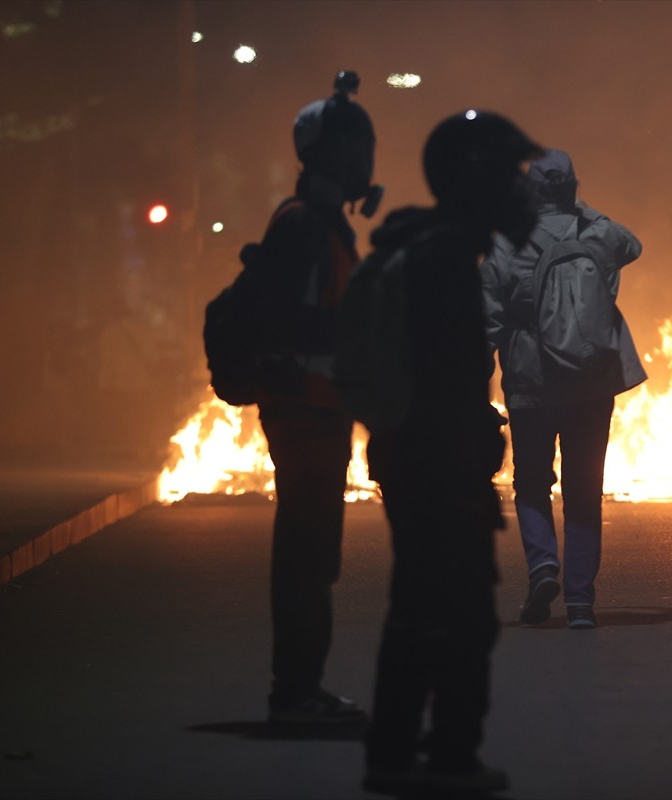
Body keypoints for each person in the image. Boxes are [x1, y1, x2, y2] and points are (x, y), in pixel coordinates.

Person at [360, 110, 543, 797]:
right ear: (475, 180)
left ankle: (397, 752)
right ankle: (446, 761)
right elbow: (446, 378)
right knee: (459, 616)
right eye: (507, 174)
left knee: (420, 605)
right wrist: (466, 465)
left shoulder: (439, 248)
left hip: (420, 461)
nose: (520, 188)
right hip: (438, 468)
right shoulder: (443, 261)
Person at [255, 71, 382, 729]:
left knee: (316, 555)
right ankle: (294, 691)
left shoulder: (324, 224)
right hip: (303, 412)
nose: (366, 162)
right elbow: (288, 320)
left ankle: (304, 684)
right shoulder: (302, 227)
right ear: (327, 155)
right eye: (356, 148)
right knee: (305, 556)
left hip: (321, 411)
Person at [479, 148, 645, 629]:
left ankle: (543, 566)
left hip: (532, 383)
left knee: (532, 482)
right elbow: (632, 245)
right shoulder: (596, 233)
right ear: (572, 188)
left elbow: (486, 321)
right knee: (584, 488)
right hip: (592, 384)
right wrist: (581, 209)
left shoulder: (507, 244)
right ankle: (579, 602)